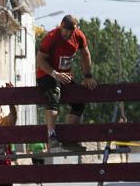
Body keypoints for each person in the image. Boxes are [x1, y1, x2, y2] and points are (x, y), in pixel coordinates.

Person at [37, 14, 97, 152]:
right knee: (53, 96)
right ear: (61, 26)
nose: (67, 33)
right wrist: (55, 74)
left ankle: (69, 141)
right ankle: (51, 136)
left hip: (65, 76)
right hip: (47, 74)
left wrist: (88, 76)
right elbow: (40, 60)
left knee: (79, 102)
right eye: (65, 30)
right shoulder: (51, 38)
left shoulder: (79, 37)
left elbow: (85, 54)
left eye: (70, 31)